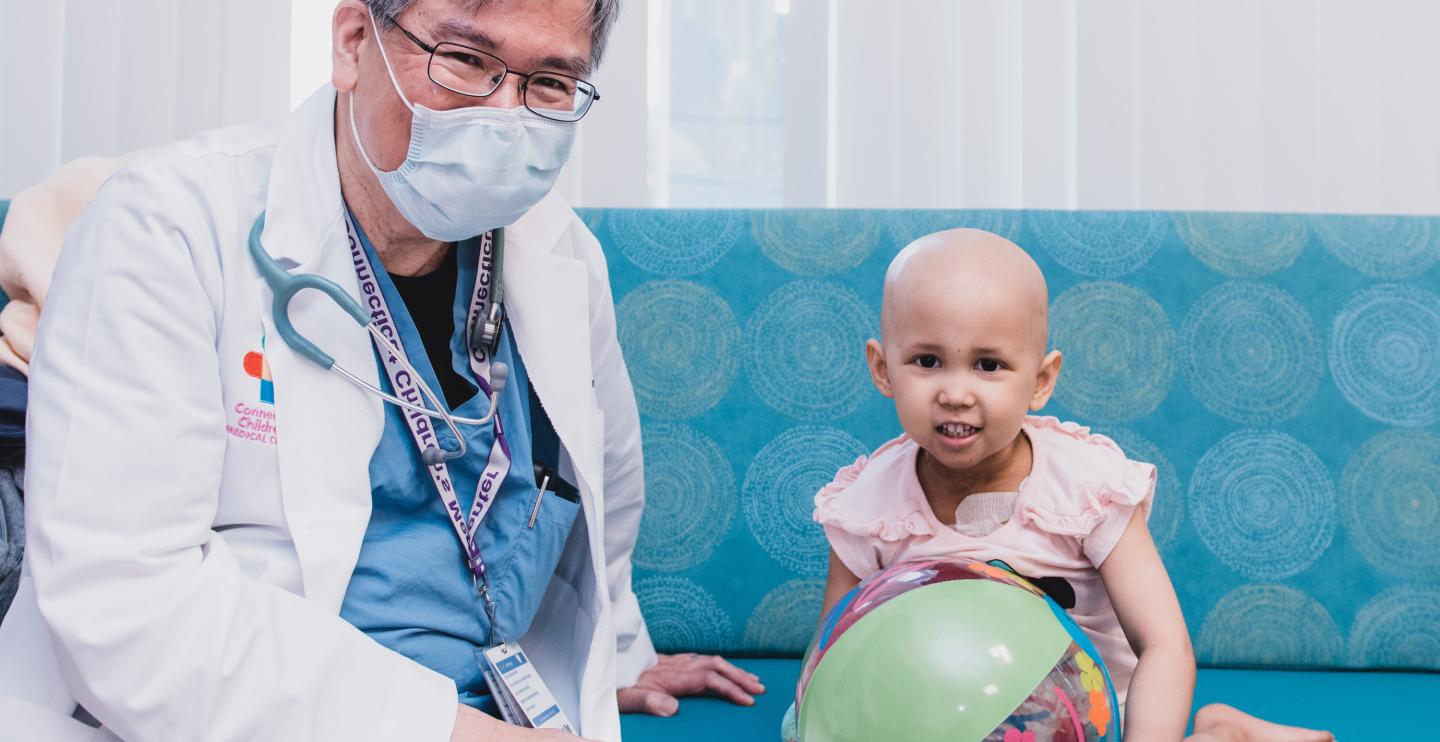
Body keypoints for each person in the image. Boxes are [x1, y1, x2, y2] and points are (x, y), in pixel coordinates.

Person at [0, 1, 761, 740]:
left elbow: (605, 495)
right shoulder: (166, 228)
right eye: (466, 59)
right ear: (354, 41)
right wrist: (454, 734)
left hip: (480, 703)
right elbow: (128, 602)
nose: (504, 114)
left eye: (550, 84)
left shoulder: (559, 254)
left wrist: (615, 655)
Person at [785, 229, 1331, 741]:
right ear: (882, 369)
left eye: (989, 365)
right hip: (940, 716)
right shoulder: (865, 507)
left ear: (1041, 381)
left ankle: (1220, 732)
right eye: (927, 361)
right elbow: (840, 651)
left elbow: (1164, 644)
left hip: (1086, 716)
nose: (956, 392)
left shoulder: (1086, 489)